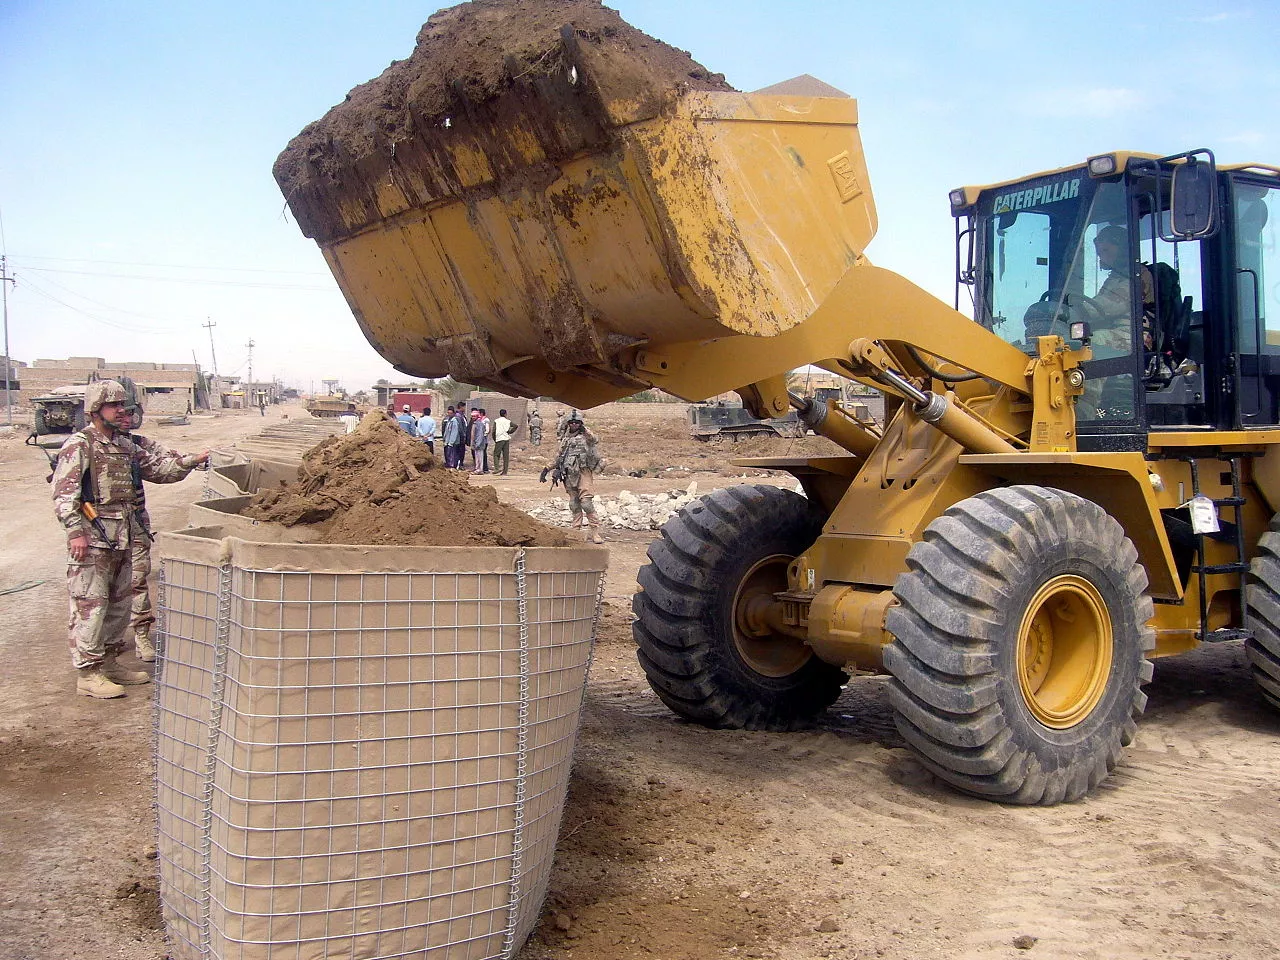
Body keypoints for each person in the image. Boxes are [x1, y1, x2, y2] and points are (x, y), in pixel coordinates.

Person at [52, 380, 210, 698]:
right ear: (96, 411)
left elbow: (161, 470)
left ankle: (109, 663)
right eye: (114, 406)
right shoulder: (80, 445)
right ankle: (88, 673)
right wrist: (75, 533)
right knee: (90, 607)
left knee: (119, 607)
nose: (121, 411)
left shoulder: (125, 446)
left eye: (123, 405)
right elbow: (64, 494)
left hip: (123, 539)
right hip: (93, 542)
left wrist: (192, 461)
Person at [555, 412, 604, 543]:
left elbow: (595, 440)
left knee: (586, 503)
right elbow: (559, 457)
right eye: (572, 423)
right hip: (570, 474)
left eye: (577, 422)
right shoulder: (566, 440)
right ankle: (576, 529)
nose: (574, 424)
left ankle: (595, 531)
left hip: (584, 472)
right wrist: (547, 469)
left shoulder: (586, 437)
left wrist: (585, 430)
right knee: (574, 503)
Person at [492, 408, 516, 475]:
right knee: (505, 456)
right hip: (506, 439)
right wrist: (510, 431)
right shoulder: (508, 421)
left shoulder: (496, 421)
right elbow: (515, 426)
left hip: (499, 438)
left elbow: (494, 431)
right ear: (505, 414)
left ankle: (497, 468)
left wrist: (495, 439)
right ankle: (505, 471)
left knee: (496, 454)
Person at [469, 408, 488, 473]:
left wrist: (478, 443)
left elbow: (480, 435)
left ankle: (480, 469)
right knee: (477, 457)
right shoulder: (475, 423)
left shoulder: (479, 424)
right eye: (472, 416)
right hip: (475, 443)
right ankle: (477, 468)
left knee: (480, 457)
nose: (473, 417)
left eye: (474, 416)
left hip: (479, 444)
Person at [479, 408, 492, 473]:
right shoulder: (480, 420)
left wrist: (483, 435)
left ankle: (485, 468)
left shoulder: (486, 420)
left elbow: (487, 430)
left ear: (481, 413)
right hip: (480, 440)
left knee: (484, 453)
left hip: (484, 440)